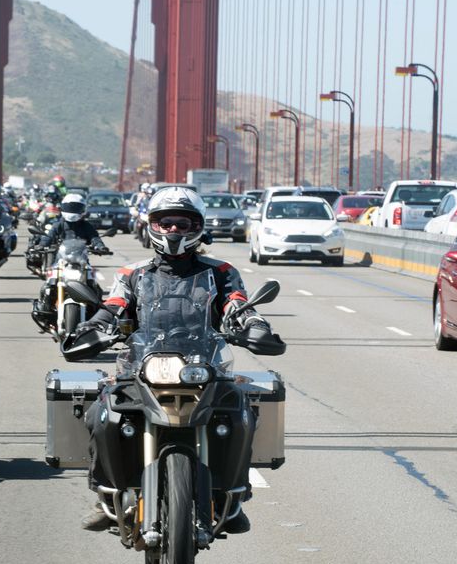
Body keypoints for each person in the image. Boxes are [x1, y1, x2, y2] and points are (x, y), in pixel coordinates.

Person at [76, 187, 278, 533]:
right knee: (101, 413)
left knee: (243, 413)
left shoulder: (221, 271)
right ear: (153, 225)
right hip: (142, 364)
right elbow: (113, 306)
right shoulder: (132, 273)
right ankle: (106, 494)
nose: (173, 230)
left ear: (196, 227)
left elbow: (238, 304)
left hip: (206, 365)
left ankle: (234, 494)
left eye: (182, 223)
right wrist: (93, 328)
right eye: (165, 222)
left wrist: (254, 325)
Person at [33, 193, 110, 322]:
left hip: (82, 263)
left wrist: (100, 247)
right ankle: (45, 310)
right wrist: (41, 245)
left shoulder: (86, 226)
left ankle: (97, 313)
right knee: (48, 285)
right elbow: (49, 236)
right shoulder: (59, 225)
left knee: (94, 286)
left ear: (83, 209)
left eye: (75, 208)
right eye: (70, 207)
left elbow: (95, 238)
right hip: (61, 262)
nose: (72, 211)